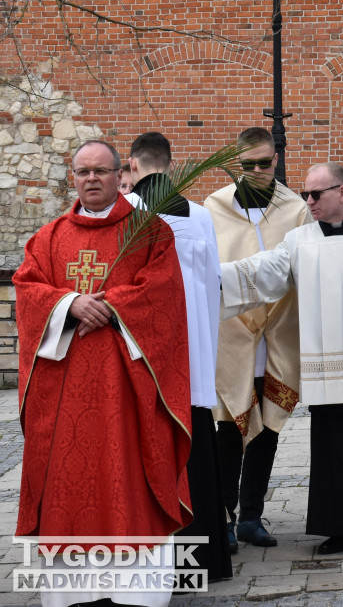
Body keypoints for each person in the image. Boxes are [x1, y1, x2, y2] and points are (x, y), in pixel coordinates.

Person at [14, 139, 191, 607]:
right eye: (82, 172)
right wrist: (70, 303)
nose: (91, 179)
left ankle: (138, 592)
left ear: (121, 175)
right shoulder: (49, 238)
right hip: (64, 394)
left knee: (127, 477)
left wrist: (111, 306)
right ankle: (72, 591)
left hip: (127, 393)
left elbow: (165, 293)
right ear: (72, 178)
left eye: (100, 171)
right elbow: (28, 289)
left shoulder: (149, 232)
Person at [219, 162, 343, 554]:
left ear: (342, 192)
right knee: (335, 450)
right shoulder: (299, 240)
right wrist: (208, 274)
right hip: (326, 369)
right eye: (306, 194)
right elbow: (265, 271)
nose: (308, 201)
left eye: (316, 194)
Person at [126, 131, 233, 581]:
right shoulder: (201, 215)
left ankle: (155, 565)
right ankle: (204, 561)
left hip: (148, 358)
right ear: (170, 166)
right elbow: (212, 285)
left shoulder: (125, 214)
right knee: (197, 451)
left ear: (132, 167)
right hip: (194, 356)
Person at [204, 126, 311, 550]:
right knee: (229, 428)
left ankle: (252, 516)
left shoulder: (296, 209)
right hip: (231, 332)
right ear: (236, 164)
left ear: (276, 160)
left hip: (279, 330)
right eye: (248, 165)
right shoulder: (213, 208)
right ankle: (224, 515)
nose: (258, 171)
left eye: (265, 163)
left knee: (267, 426)